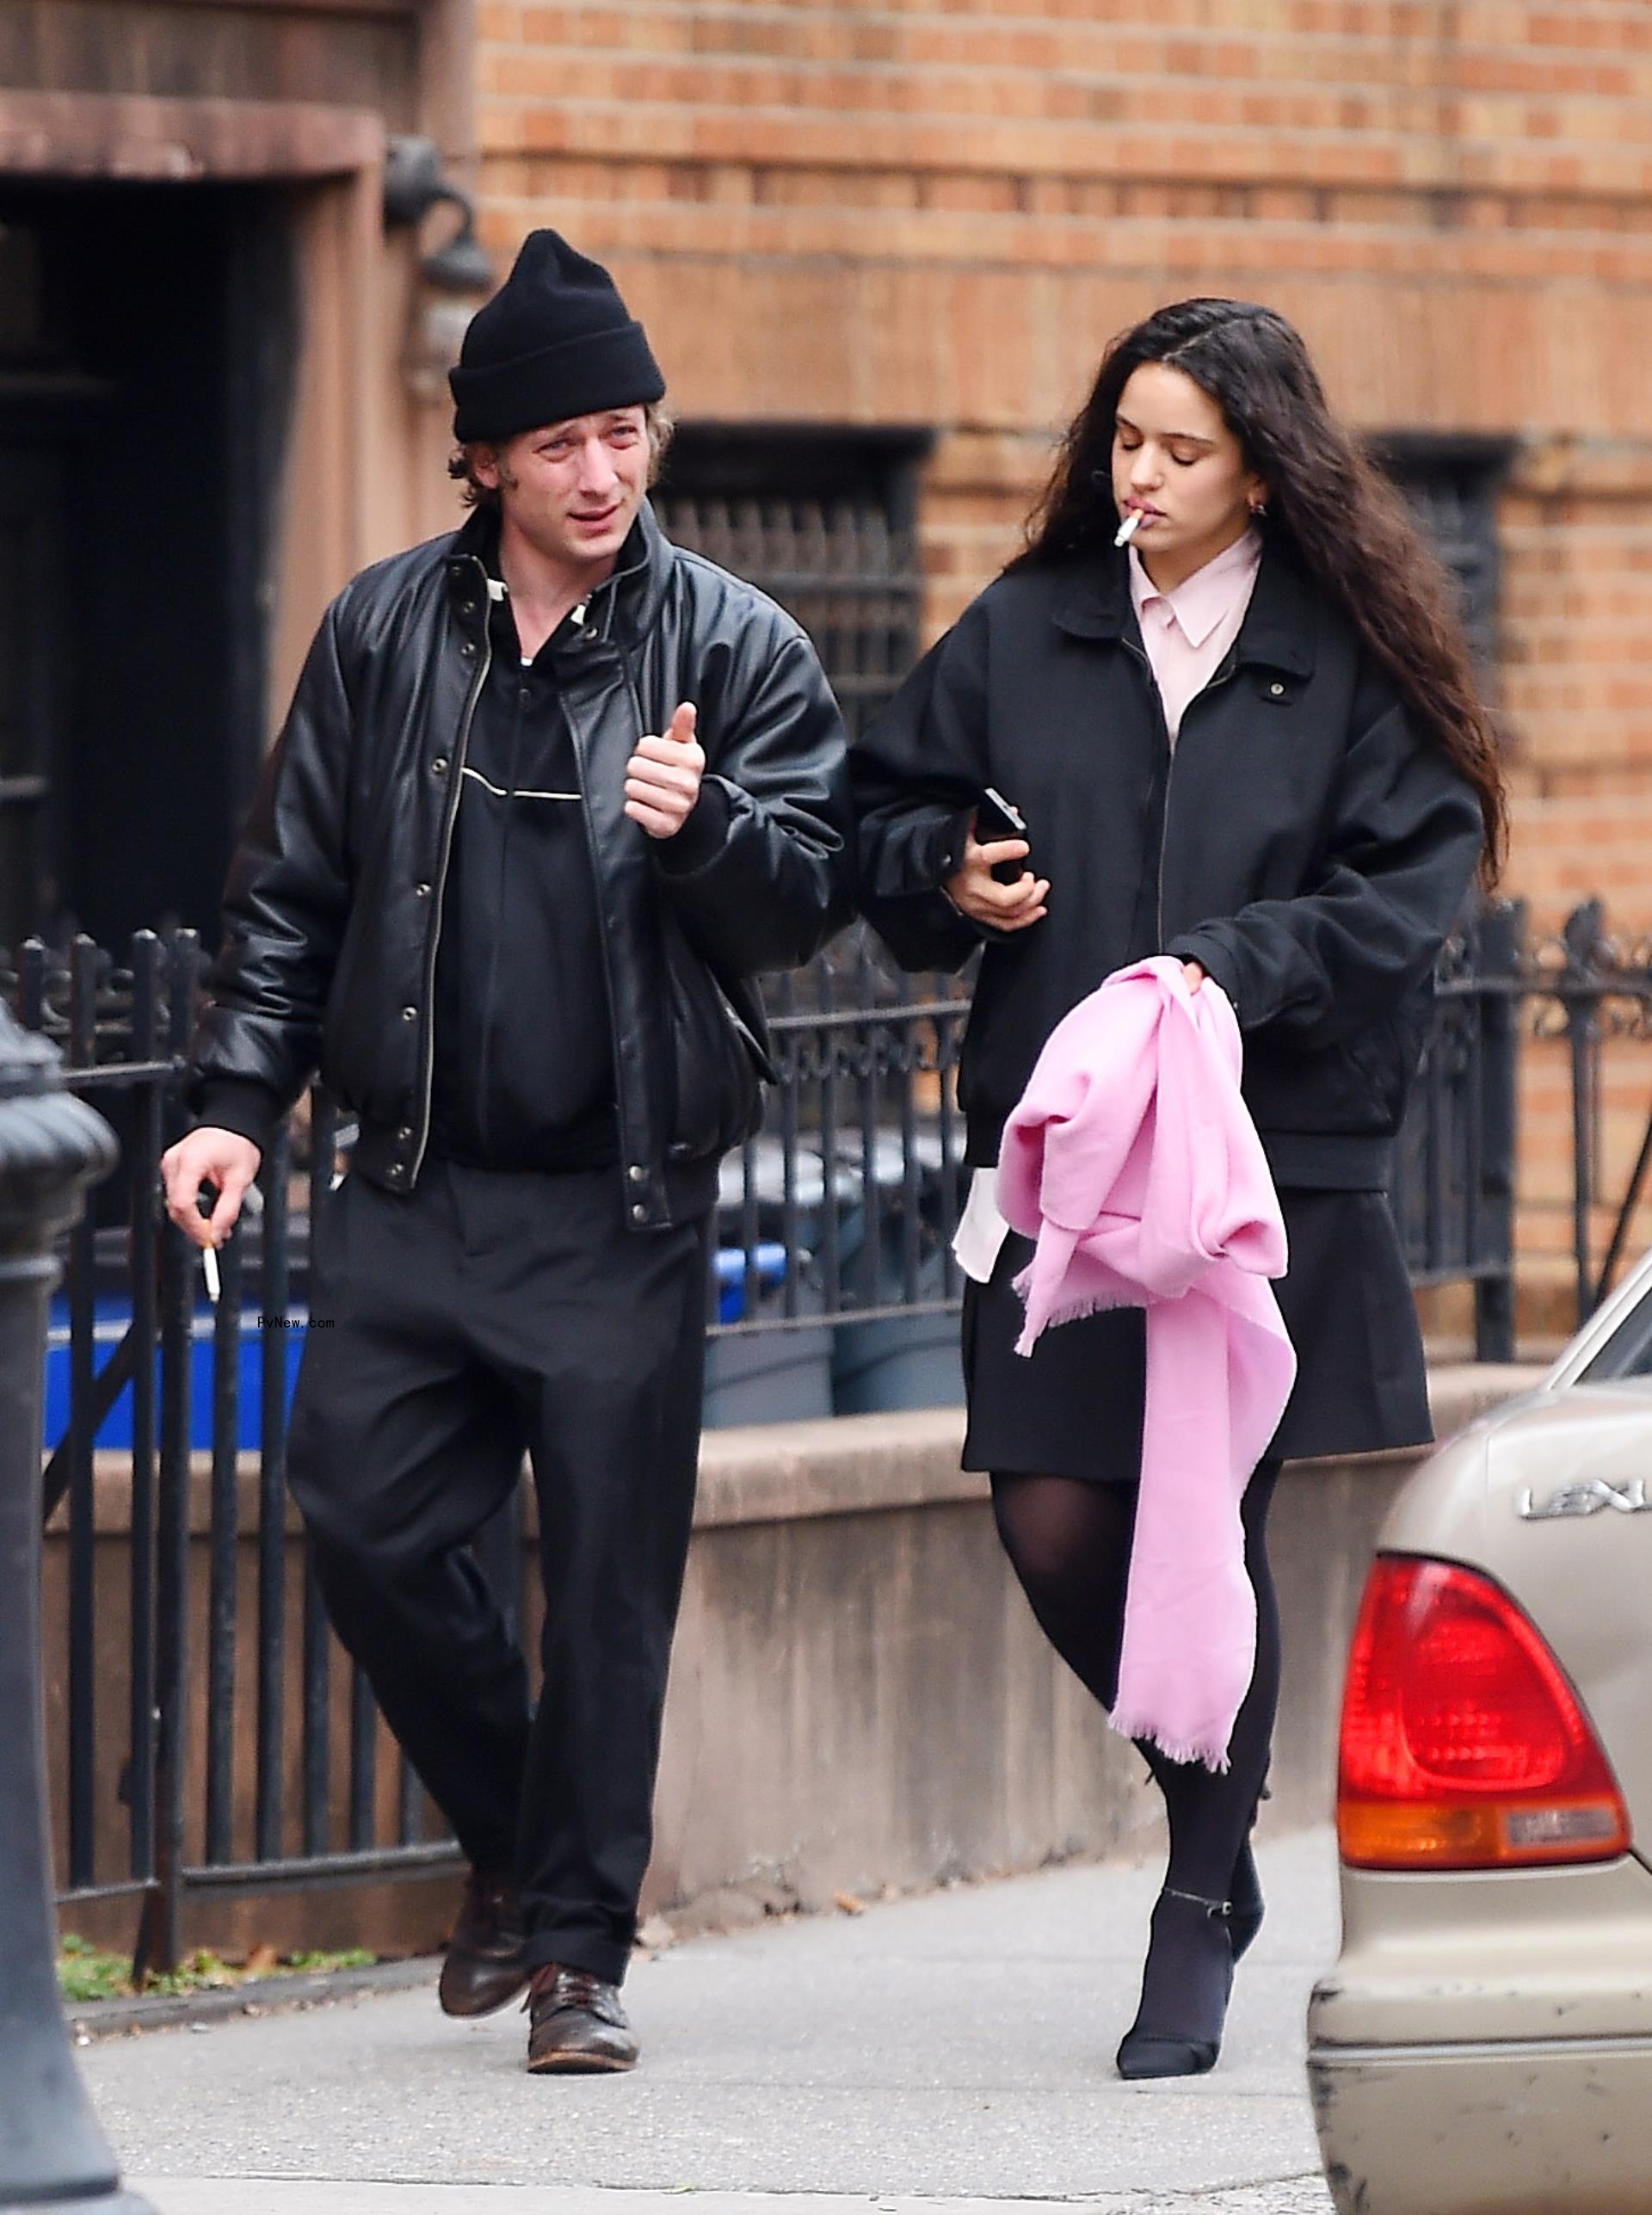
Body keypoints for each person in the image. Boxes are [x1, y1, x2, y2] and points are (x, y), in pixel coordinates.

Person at [161, 231, 853, 2075]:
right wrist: (236, 1105)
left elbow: (813, 901)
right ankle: (514, 1850)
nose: (604, 473)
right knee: (360, 1521)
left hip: (622, 1198)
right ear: (485, 460)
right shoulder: (385, 631)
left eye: (628, 432)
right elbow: (293, 892)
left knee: (609, 1588)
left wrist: (707, 829)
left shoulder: (733, 643)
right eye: (560, 442)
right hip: (411, 1184)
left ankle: (576, 1955)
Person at [851, 297, 1502, 2078]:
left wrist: (1237, 962)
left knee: (1195, 1519)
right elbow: (877, 815)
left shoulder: (1346, 653)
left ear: (1263, 475)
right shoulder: (1031, 626)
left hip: (1262, 1169)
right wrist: (947, 876)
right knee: (1053, 1517)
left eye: (1180, 450)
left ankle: (1198, 1903)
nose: (1139, 475)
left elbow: (1407, 891)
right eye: (1124, 440)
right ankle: (1217, 1789)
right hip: (1063, 1162)